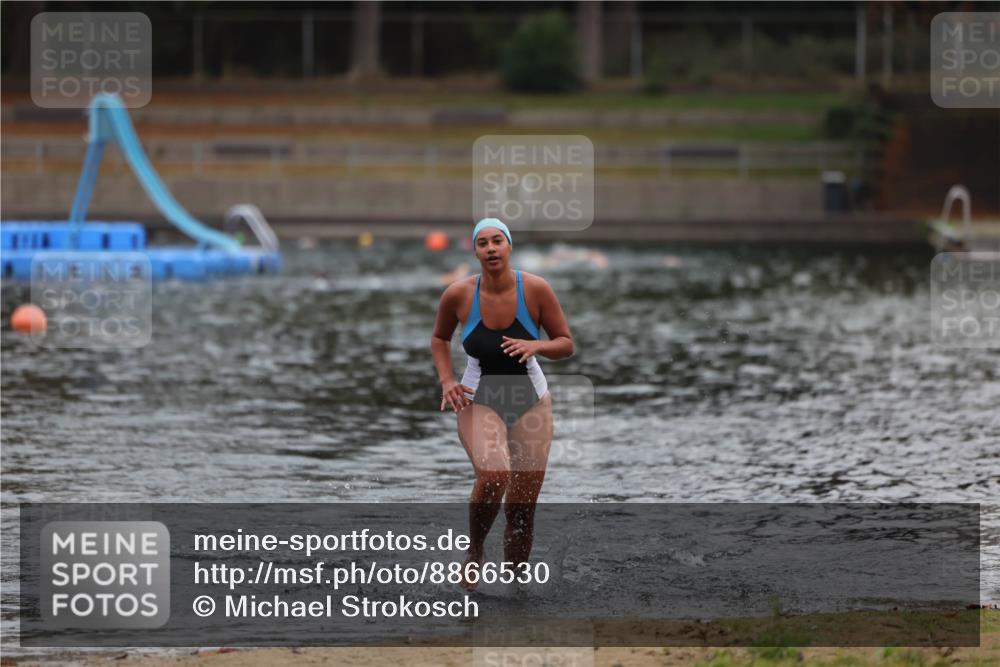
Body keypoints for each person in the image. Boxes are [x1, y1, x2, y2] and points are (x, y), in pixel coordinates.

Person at [431, 218, 574, 591]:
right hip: (478, 398)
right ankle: (475, 549)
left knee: (521, 512)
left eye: (498, 241)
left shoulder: (537, 290)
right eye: (483, 243)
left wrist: (537, 346)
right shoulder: (459, 295)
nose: (491, 248)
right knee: (494, 473)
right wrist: (448, 380)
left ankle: (515, 589)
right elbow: (438, 338)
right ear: (475, 251)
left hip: (531, 401)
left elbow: (565, 342)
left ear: (509, 247)